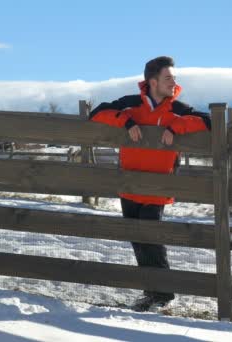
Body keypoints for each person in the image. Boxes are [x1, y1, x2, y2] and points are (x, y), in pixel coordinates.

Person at [89, 56, 211, 311]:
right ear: (152, 81)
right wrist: (126, 121)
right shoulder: (130, 105)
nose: (174, 82)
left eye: (174, 78)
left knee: (151, 238)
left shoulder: (179, 108)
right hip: (130, 184)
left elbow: (207, 121)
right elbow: (97, 113)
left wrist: (176, 126)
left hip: (158, 188)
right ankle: (151, 292)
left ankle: (163, 294)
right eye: (168, 78)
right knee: (137, 239)